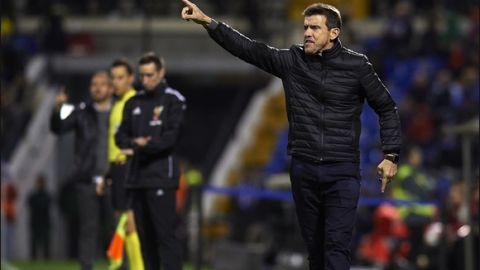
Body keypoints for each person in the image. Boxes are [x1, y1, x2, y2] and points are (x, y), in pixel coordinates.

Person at [181, 1, 402, 270]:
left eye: (314, 28)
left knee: (336, 246)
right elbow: (249, 49)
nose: (307, 33)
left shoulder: (357, 66)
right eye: (305, 27)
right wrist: (209, 23)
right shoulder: (292, 61)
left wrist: (390, 154)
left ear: (334, 33)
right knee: (315, 249)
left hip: (342, 171)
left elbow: (386, 107)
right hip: (303, 168)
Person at [115, 52, 186, 270]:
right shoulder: (133, 102)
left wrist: (139, 145)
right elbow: (120, 136)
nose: (145, 80)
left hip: (161, 178)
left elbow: (170, 139)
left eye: (150, 75)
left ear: (161, 73)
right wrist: (140, 144)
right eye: (142, 76)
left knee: (165, 237)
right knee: (146, 241)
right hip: (137, 180)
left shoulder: (173, 100)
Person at [50, 71, 114, 270]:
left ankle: (121, 265)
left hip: (114, 178)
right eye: (94, 84)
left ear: (111, 88)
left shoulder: (121, 110)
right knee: (88, 229)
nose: (97, 87)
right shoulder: (81, 111)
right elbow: (58, 128)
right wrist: (58, 108)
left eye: (102, 84)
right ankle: (86, 267)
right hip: (87, 177)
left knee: (116, 228)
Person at [107, 58, 143, 270]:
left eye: (120, 77)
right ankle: (121, 264)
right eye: (113, 78)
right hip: (116, 169)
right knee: (121, 221)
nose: (116, 82)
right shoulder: (118, 103)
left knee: (130, 223)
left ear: (130, 78)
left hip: (128, 167)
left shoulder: (134, 103)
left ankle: (138, 267)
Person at [27, 175, 52, 260]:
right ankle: (33, 259)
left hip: (44, 222)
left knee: (46, 243)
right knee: (34, 242)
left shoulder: (47, 195)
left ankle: (47, 259)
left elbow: (48, 204)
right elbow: (30, 204)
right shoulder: (33, 195)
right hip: (35, 222)